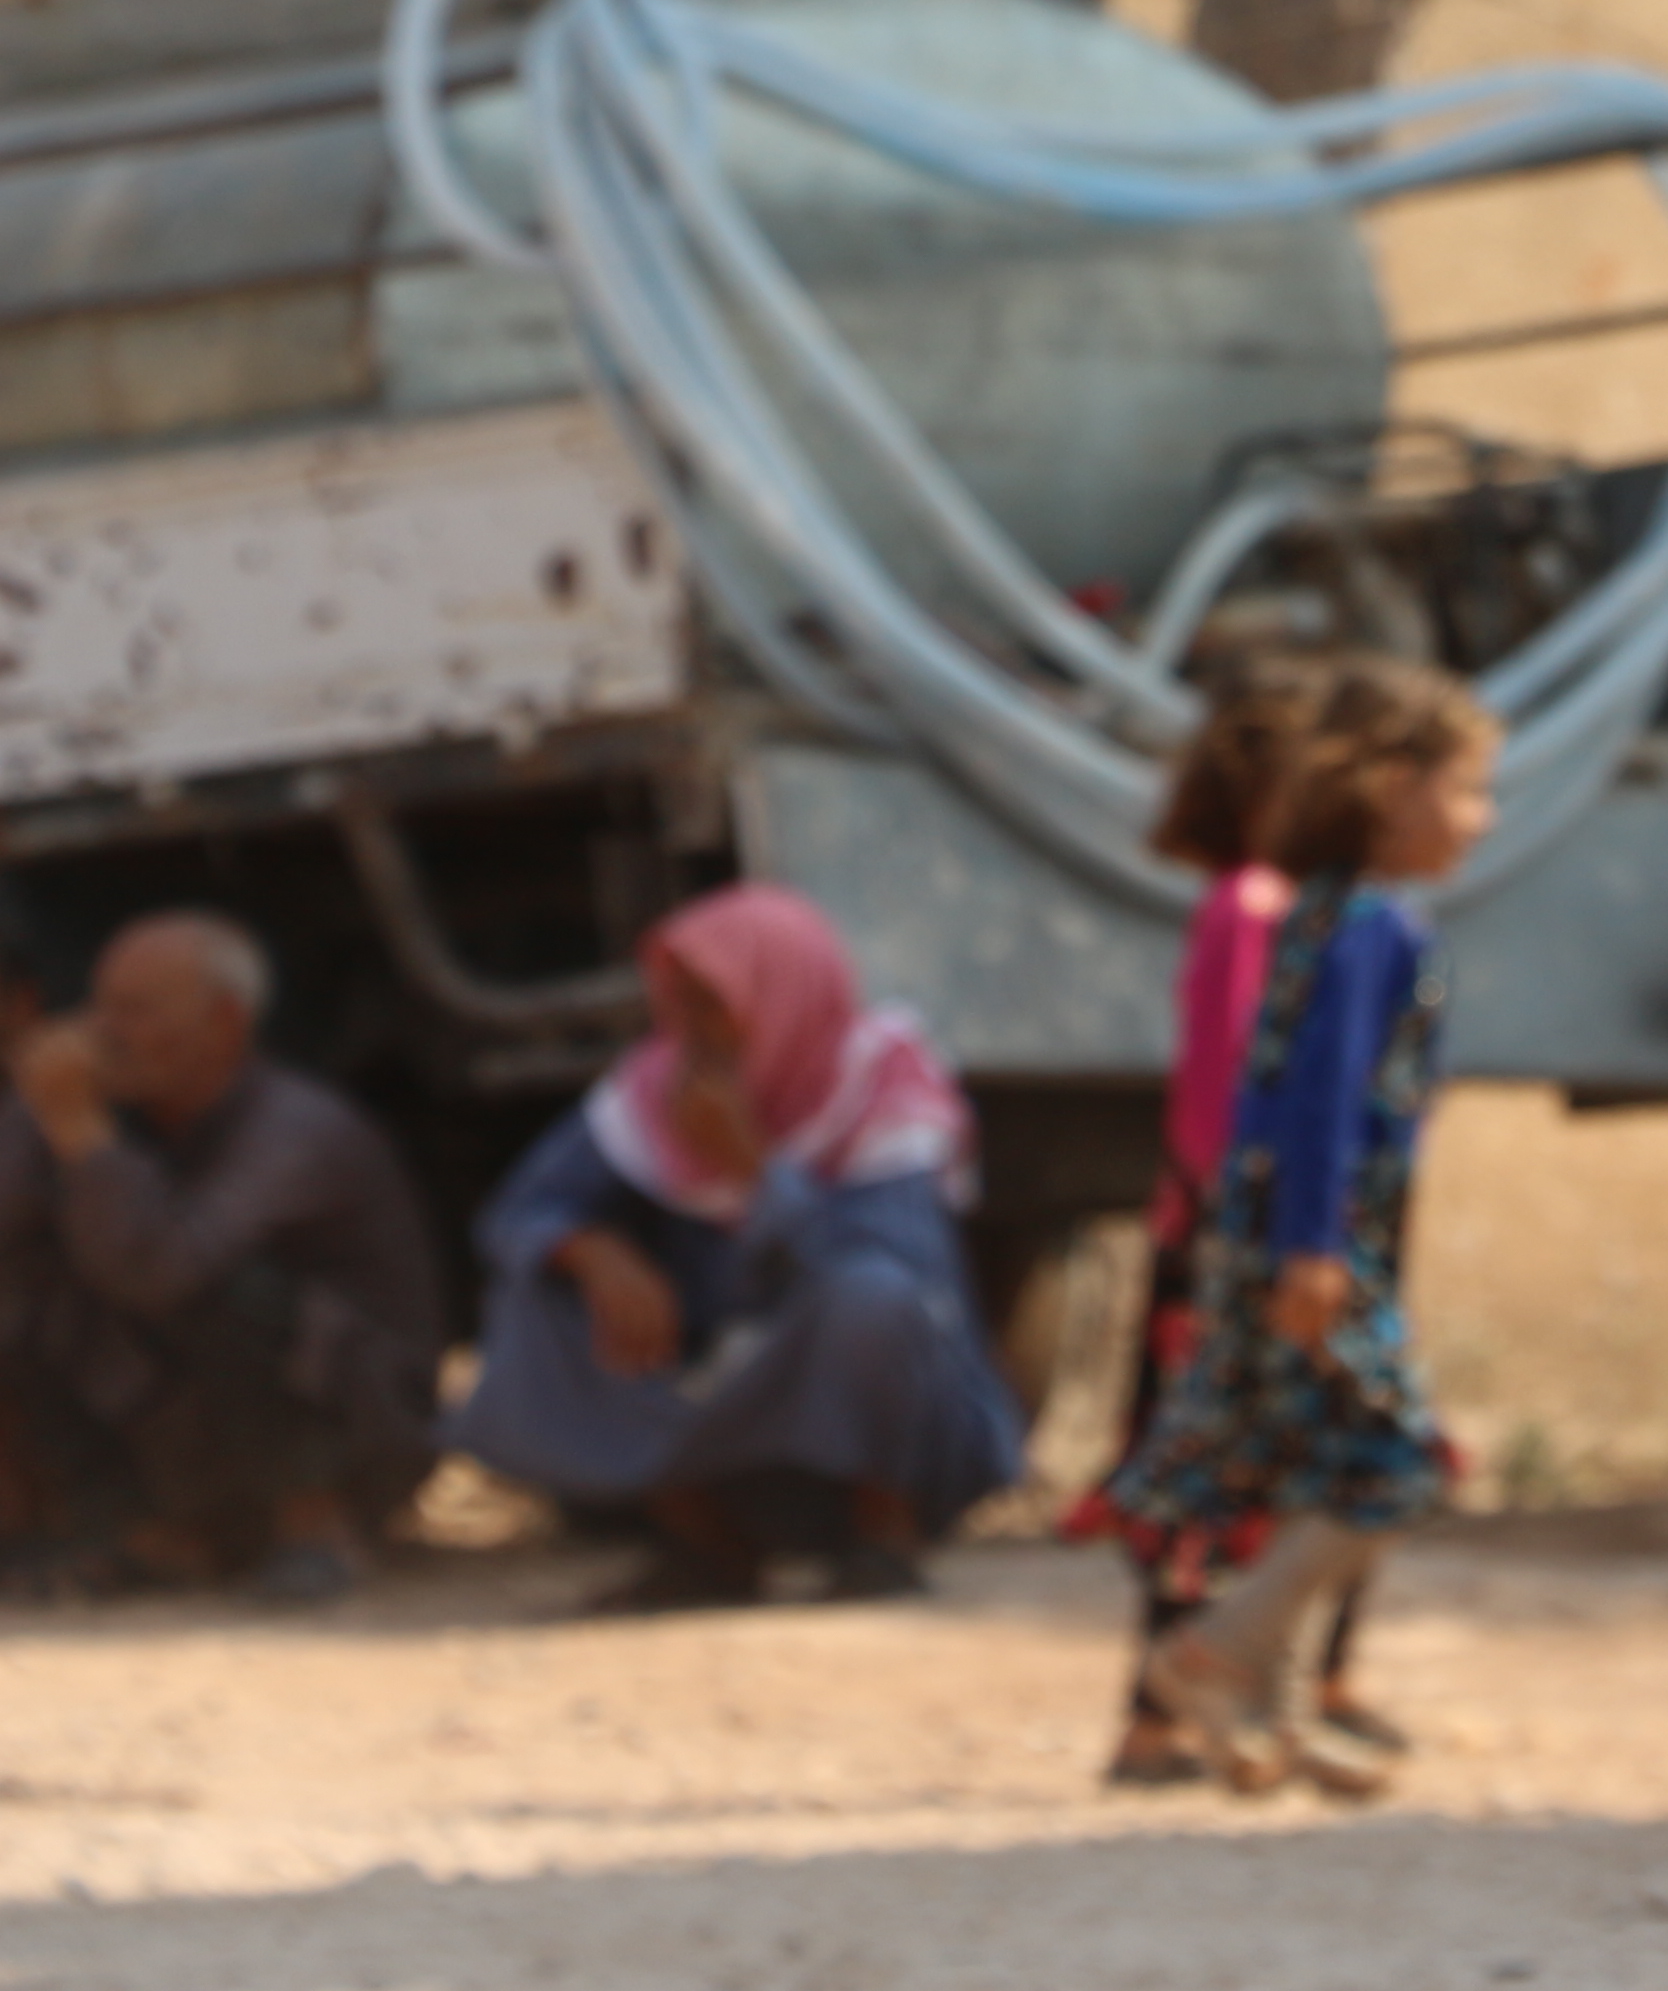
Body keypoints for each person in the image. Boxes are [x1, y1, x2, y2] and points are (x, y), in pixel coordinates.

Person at [1114, 656, 1498, 1801]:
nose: (1481, 819)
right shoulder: (1371, 928)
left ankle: (1271, 1714)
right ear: (1392, 784)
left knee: (1306, 1463)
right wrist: (1317, 1246)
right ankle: (1218, 1653)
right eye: (1468, 789)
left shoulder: (1317, 916)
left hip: (1271, 1237)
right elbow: (1322, 1091)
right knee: (1394, 1463)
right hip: (1318, 1249)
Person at [453, 883, 1030, 1608]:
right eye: (678, 1003)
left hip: (863, 1410)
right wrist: (596, 1252)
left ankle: (883, 1533)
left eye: (712, 1005)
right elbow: (518, 1213)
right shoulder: (650, 1089)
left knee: (873, 1297)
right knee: (536, 1289)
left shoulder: (885, 1081)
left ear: (780, 996)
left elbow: (905, 1272)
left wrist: (757, 1173)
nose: (690, 1031)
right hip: (713, 1388)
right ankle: (707, 1547)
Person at [1079, 658, 1380, 1789]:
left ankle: (1270, 1700)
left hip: (1252, 1238)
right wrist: (1260, 1236)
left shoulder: (1281, 913)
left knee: (1277, 1470)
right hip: (1237, 1248)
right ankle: (1162, 1713)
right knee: (1225, 1477)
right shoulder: (1254, 913)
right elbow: (1225, 1091)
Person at [0, 912, 443, 1602]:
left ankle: (317, 1529)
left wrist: (78, 1129)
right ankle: (147, 1534)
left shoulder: (299, 1129)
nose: (103, 1032)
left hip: (363, 1428)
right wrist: (38, 1106)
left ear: (227, 1022)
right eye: (101, 1006)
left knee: (224, 1290)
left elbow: (161, 1271)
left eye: (136, 1010)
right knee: (24, 1286)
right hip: (198, 1436)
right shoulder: (133, 1112)